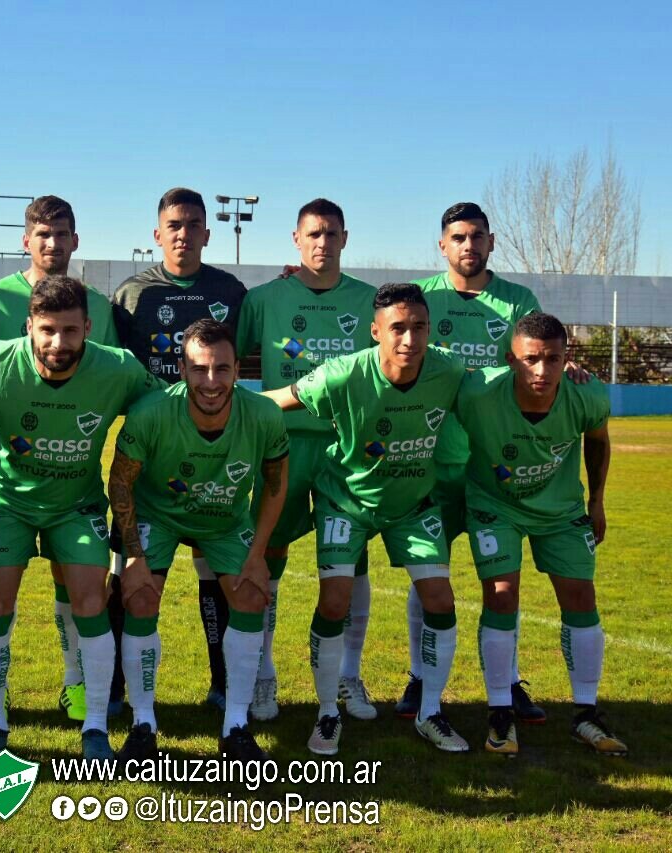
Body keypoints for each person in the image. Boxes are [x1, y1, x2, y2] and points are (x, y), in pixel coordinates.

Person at [0, 275, 159, 762]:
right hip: (6, 501)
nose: (57, 343)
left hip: (76, 504)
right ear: (29, 326)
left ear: (88, 327)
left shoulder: (118, 369)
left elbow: (164, 406)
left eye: (69, 331)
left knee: (91, 599)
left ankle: (93, 727)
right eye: (46, 330)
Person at [265, 282, 470, 755]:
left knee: (440, 598)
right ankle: (327, 713)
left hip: (413, 504)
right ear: (375, 330)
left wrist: (572, 372)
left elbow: (505, 384)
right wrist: (205, 395)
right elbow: (279, 398)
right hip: (346, 501)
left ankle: (431, 712)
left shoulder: (450, 371)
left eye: (419, 327)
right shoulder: (341, 375)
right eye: (398, 328)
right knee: (334, 602)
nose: (409, 339)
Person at [0, 195, 117, 724]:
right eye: (41, 234)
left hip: (76, 484)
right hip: (12, 480)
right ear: (26, 241)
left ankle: (77, 687)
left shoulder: (98, 308)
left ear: (75, 240)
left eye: (60, 233)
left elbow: (109, 381)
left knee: (81, 589)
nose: (51, 243)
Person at [394, 202, 549, 723]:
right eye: (458, 237)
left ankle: (507, 681)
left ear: (491, 242)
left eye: (477, 236)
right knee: (428, 575)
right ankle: (420, 676)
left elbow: (537, 359)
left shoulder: (518, 301)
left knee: (501, 581)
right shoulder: (421, 300)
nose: (468, 245)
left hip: (491, 463)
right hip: (429, 460)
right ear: (442, 245)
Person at [109, 319, 288, 762]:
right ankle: (144, 724)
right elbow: (121, 485)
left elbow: (275, 482)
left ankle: (236, 726)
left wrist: (258, 554)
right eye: (200, 369)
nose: (211, 381)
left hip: (226, 520)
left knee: (249, 596)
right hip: (158, 515)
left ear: (237, 370)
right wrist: (134, 557)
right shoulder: (151, 412)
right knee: (139, 597)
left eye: (222, 369)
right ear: (183, 370)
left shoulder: (263, 414)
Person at [454, 311, 625, 757]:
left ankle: (586, 713)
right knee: (502, 593)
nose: (542, 371)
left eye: (552, 359)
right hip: (495, 506)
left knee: (580, 597)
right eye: (531, 359)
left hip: (561, 509)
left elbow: (599, 440)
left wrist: (597, 501)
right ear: (511, 359)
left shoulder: (586, 394)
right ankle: (500, 713)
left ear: (567, 357)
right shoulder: (477, 391)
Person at [235, 198, 377, 723]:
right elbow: (229, 356)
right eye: (313, 234)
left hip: (348, 448)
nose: (322, 242)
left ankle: (348, 676)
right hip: (283, 444)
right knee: (267, 553)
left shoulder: (368, 301)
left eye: (331, 234)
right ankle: (263, 675)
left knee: (350, 562)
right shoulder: (266, 297)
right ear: (296, 240)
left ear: (345, 238)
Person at [111, 187, 248, 711]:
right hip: (150, 453)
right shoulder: (130, 295)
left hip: (217, 451)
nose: (184, 233)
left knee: (214, 568)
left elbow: (245, 358)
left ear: (207, 233)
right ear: (157, 234)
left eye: (193, 224)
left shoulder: (231, 291)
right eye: (174, 225)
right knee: (131, 571)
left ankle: (222, 684)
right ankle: (120, 691)